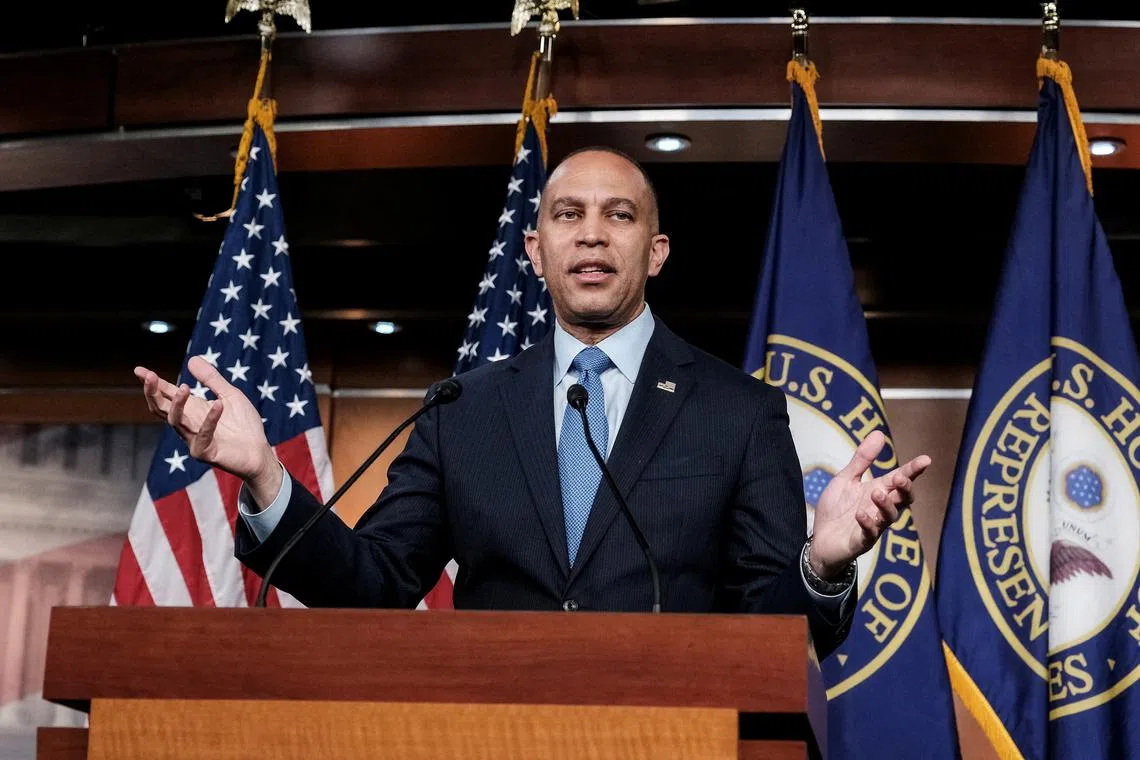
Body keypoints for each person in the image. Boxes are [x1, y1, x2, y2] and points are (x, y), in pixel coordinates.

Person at [135, 147, 929, 658]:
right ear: (534, 250)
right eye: (567, 215)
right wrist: (268, 478)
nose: (591, 235)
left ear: (655, 254)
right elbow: (371, 586)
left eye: (619, 216)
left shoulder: (738, 410)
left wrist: (820, 565)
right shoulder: (462, 408)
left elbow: (773, 638)